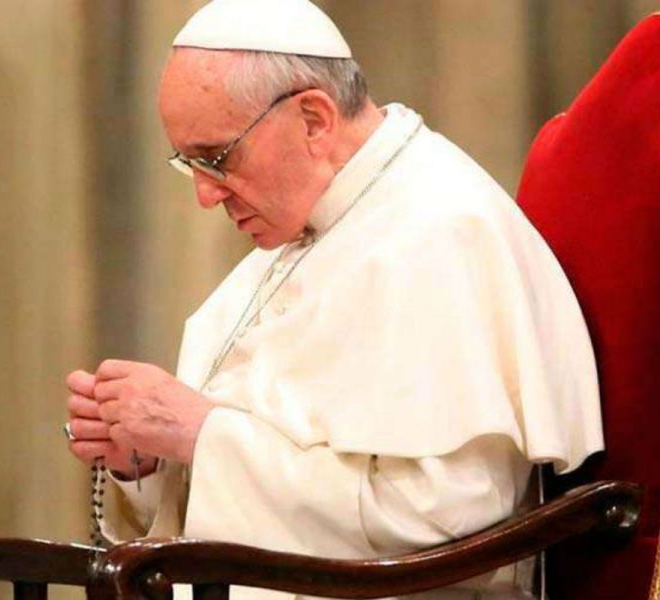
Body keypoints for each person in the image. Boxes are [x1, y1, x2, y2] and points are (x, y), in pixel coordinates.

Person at [64, 1, 604, 598]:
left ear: (315, 119)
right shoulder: (303, 235)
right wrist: (147, 463)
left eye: (216, 158)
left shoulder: (441, 232)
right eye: (188, 163)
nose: (205, 196)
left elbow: (444, 518)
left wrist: (202, 435)